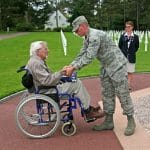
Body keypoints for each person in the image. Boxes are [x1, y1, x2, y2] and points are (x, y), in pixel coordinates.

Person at [65, 16, 136, 136]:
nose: (76, 33)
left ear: (83, 26)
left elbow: (89, 56)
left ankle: (131, 120)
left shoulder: (95, 36)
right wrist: (70, 65)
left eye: (77, 30)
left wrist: (74, 68)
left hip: (116, 66)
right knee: (107, 94)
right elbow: (82, 53)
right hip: (106, 67)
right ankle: (108, 122)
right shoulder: (87, 37)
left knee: (123, 93)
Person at [26, 41, 105, 122]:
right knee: (77, 84)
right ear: (38, 51)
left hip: (47, 88)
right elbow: (47, 81)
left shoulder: (36, 61)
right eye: (45, 49)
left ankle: (88, 108)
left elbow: (47, 78)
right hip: (49, 90)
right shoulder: (36, 63)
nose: (48, 50)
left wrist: (62, 73)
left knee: (75, 81)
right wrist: (61, 72)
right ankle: (88, 111)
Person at [119, 21, 139, 90]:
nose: (127, 28)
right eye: (126, 27)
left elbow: (137, 47)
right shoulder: (122, 36)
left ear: (132, 27)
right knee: (123, 72)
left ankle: (128, 85)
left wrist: (131, 52)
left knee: (130, 72)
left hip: (131, 57)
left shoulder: (135, 37)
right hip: (123, 57)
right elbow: (120, 46)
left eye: (128, 27)